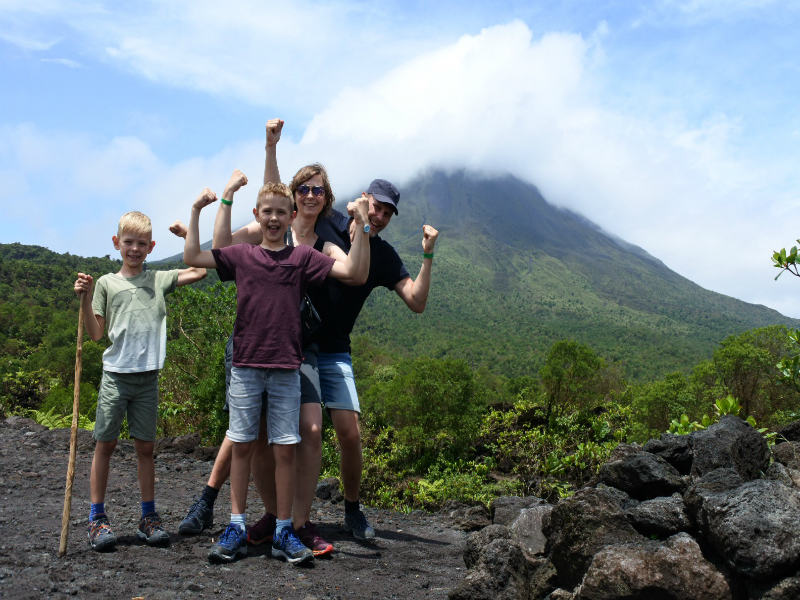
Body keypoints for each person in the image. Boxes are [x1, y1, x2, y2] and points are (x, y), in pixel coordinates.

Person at [248, 119, 440, 542]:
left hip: (333, 349)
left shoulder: (384, 255)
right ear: (364, 201)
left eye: (388, 212)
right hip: (293, 344)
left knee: (348, 432)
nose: (380, 215)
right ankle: (276, 515)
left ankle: (351, 508)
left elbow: (417, 302)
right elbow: (279, 202)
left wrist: (427, 256)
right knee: (271, 431)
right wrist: (271, 149)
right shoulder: (330, 223)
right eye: (377, 206)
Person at [182, 175, 370, 565]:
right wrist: (209, 206)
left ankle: (284, 527)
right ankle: (237, 524)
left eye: (280, 213)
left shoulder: (302, 258)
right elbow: (196, 257)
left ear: (291, 217)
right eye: (266, 212)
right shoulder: (244, 255)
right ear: (257, 215)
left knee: (285, 448)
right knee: (244, 443)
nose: (272, 218)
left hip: (287, 367)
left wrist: (363, 225)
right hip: (248, 367)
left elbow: (353, 272)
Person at [73, 211, 207, 552]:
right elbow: (95, 333)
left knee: (146, 448)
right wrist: (86, 299)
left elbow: (202, 269)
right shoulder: (105, 283)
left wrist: (186, 235)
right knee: (105, 445)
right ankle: (96, 518)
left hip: (148, 379)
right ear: (117, 244)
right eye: (128, 242)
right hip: (115, 378)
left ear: (151, 247)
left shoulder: (159, 279)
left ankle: (148, 517)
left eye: (141, 243)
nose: (134, 249)